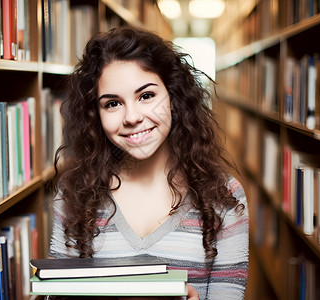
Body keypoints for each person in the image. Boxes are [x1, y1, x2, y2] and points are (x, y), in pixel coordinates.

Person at [49, 27, 249, 300]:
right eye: (112, 104)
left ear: (173, 97)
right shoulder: (73, 193)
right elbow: (58, 294)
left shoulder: (224, 196)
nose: (131, 117)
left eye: (146, 96)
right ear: (95, 115)